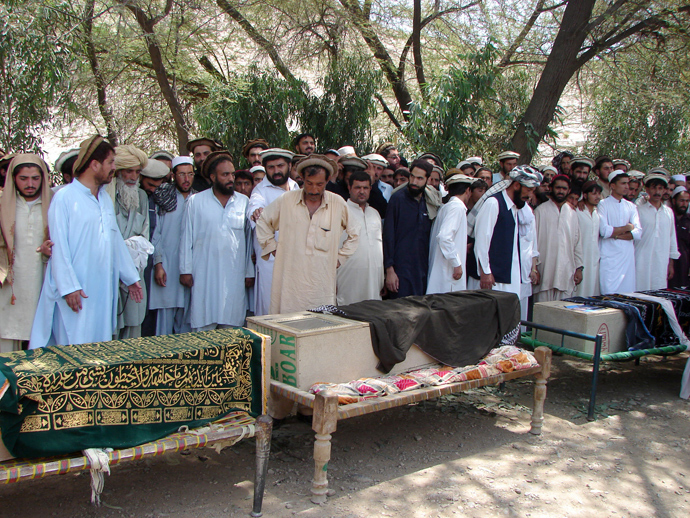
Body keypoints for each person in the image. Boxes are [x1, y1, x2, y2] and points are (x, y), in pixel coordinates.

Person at [30, 135, 142, 348]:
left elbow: (114, 240)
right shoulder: (65, 198)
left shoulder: (104, 200)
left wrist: (130, 277)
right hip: (76, 292)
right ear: (94, 164)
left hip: (101, 289)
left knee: (97, 348)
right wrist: (69, 287)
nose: (113, 168)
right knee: (73, 346)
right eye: (110, 163)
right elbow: (59, 246)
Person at [256, 155, 358, 313]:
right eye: (309, 183)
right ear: (302, 178)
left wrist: (340, 258)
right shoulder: (286, 200)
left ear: (327, 181)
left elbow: (354, 234)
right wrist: (273, 247)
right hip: (290, 281)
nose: (314, 190)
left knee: (319, 325)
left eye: (319, 184)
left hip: (321, 284)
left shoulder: (338, 203)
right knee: (287, 324)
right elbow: (263, 221)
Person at [179, 151, 254, 330]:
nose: (231, 179)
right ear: (213, 177)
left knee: (232, 329)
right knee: (204, 326)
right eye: (225, 174)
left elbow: (248, 241)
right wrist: (185, 270)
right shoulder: (195, 202)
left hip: (234, 276)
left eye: (232, 174)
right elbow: (186, 238)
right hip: (204, 275)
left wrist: (248, 272)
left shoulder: (243, 202)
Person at [0, 155, 53, 352]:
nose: (30, 184)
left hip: (42, 283)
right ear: (13, 178)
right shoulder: (2, 205)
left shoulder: (54, 204)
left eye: (35, 178)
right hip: (9, 289)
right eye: (23, 178)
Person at [469, 165, 541, 305]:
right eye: (528, 190)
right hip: (491, 280)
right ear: (516, 185)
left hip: (508, 278)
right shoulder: (494, 203)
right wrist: (485, 271)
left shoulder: (514, 207)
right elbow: (482, 241)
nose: (530, 196)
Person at [247, 148, 299, 316]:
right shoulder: (260, 191)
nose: (276, 171)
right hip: (271, 263)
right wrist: (257, 212)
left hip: (296, 260)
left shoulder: (295, 187)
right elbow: (254, 208)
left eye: (280, 166)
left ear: (289, 166)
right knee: (270, 310)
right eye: (271, 167)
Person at [149, 156, 196, 335]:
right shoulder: (163, 198)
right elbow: (156, 234)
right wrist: (158, 264)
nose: (186, 179)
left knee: (187, 321)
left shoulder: (198, 199)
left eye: (190, 174)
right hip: (167, 267)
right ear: (173, 175)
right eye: (182, 174)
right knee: (164, 325)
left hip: (190, 269)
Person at [113, 145, 151, 339]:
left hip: (135, 269)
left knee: (134, 323)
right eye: (129, 171)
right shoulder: (107, 195)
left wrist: (131, 250)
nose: (133, 177)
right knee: (112, 325)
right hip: (110, 271)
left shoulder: (142, 196)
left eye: (137, 172)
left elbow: (145, 237)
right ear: (118, 171)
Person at [383, 159, 433, 298]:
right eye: (412, 176)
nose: (414, 182)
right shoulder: (397, 199)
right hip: (400, 271)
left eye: (419, 178)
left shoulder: (429, 203)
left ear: (427, 180)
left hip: (421, 270)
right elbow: (388, 235)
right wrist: (389, 270)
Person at [533, 175, 583, 301]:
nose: (561, 191)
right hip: (544, 271)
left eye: (564, 188)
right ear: (551, 188)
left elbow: (577, 243)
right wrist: (534, 268)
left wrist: (579, 268)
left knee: (563, 314)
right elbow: (533, 242)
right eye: (558, 188)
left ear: (569, 190)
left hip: (567, 272)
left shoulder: (572, 214)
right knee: (542, 313)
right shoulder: (540, 211)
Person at [336, 171, 384, 305]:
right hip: (347, 280)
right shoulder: (340, 212)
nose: (362, 191)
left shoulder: (374, 214)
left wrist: (382, 279)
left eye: (365, 188)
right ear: (349, 188)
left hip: (373, 281)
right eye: (357, 187)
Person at [426, 174, 474, 294]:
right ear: (468, 191)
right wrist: (456, 263)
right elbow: (444, 237)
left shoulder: (447, 207)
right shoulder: (456, 207)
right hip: (448, 274)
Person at [598, 170, 642, 294]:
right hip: (609, 256)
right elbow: (604, 231)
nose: (627, 187)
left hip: (627, 258)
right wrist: (627, 228)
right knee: (608, 292)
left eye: (627, 183)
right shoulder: (603, 204)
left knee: (627, 293)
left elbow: (638, 233)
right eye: (623, 183)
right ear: (612, 185)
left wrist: (616, 234)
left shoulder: (631, 206)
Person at [634, 174, 679, 291]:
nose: (657, 192)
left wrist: (671, 263)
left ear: (664, 190)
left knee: (659, 291)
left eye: (660, 188)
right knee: (640, 291)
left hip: (661, 261)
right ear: (647, 189)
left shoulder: (668, 212)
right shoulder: (638, 210)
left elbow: (672, 238)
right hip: (641, 259)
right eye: (654, 188)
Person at [575, 181, 602, 297]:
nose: (597, 197)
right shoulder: (577, 211)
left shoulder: (598, 213)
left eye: (599, 194)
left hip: (594, 259)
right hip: (581, 258)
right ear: (585, 195)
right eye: (594, 194)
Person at [670, 187, 690, 288]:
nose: (684, 204)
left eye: (687, 201)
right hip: (668, 266)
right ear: (674, 201)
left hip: (684, 269)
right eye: (682, 201)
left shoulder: (688, 220)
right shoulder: (668, 216)